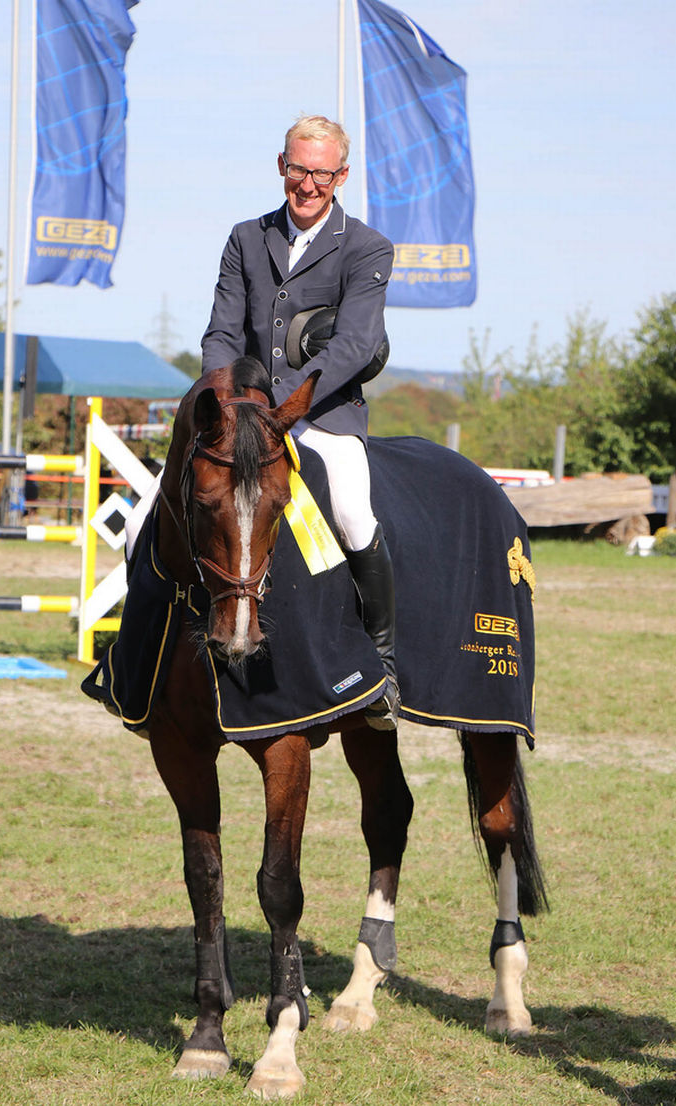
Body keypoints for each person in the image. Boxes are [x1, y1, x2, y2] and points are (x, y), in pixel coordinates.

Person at [201, 114, 399, 729]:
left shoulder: (368, 247)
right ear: (281, 166)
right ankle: (140, 653)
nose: (307, 184)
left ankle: (383, 663)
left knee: (350, 511)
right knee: (170, 500)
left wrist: (282, 404)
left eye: (321, 173)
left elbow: (356, 347)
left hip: (322, 414)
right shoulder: (245, 236)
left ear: (341, 176)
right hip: (245, 411)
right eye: (298, 169)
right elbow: (222, 331)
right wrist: (226, 399)